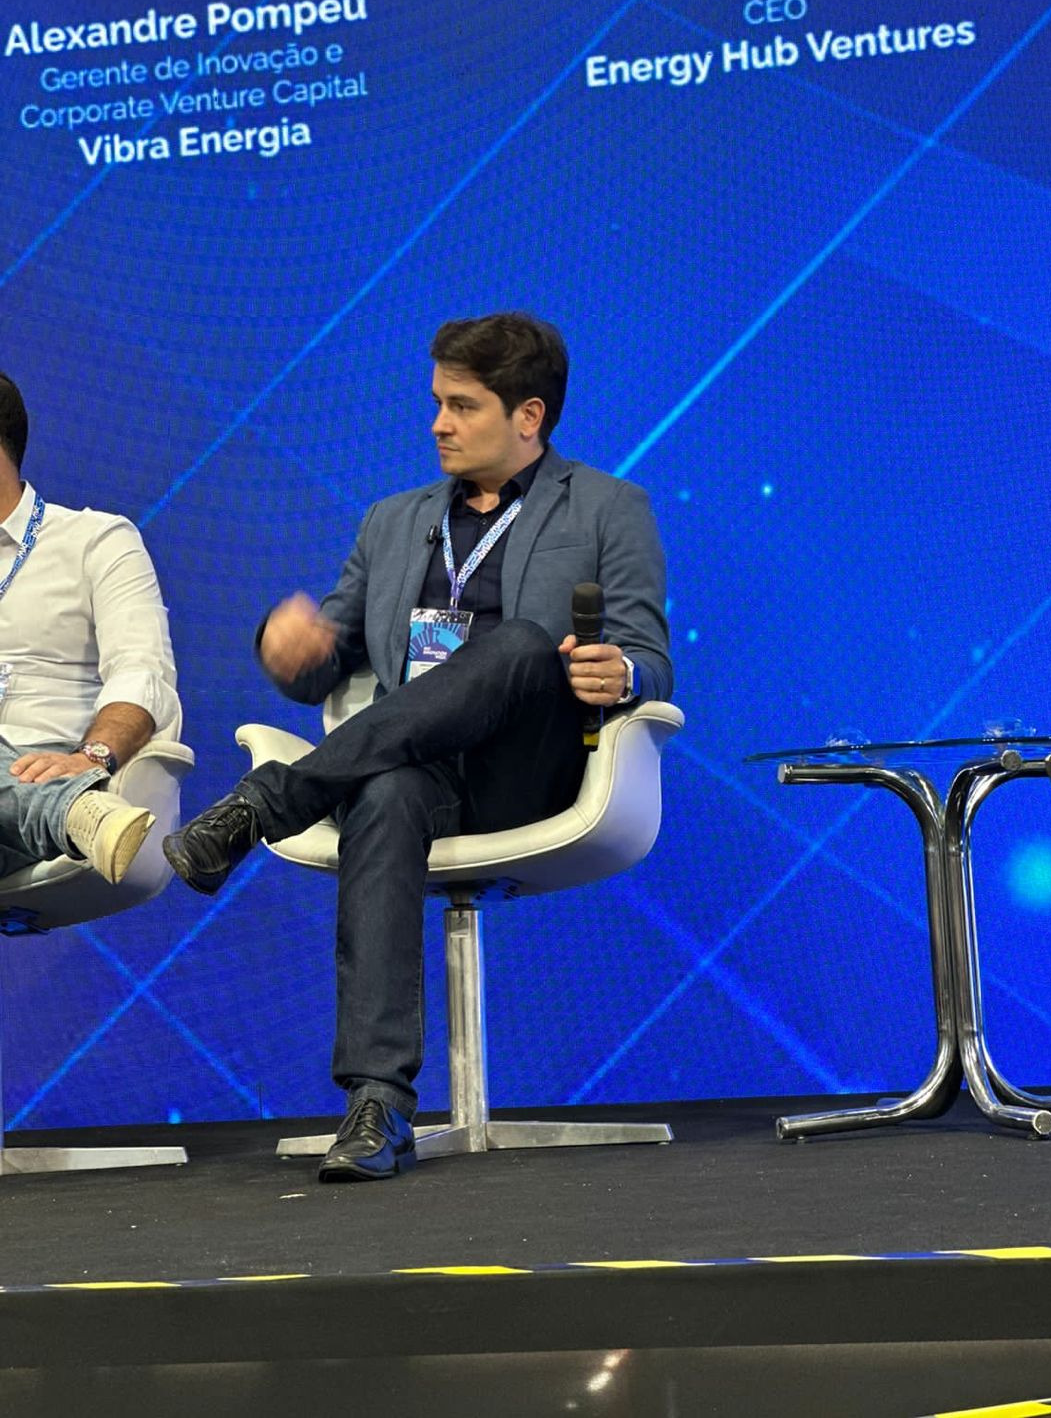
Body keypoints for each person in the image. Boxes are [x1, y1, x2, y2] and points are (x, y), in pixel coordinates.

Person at [163, 312, 672, 1182]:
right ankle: (378, 1106)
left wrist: (619, 670)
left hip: (530, 774)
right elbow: (325, 664)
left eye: (461, 406)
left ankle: (269, 802)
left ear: (529, 416)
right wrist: (292, 649)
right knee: (386, 791)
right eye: (436, 402)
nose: (438, 423)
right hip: (416, 770)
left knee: (518, 644)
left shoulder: (606, 507)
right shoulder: (392, 523)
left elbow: (651, 655)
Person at [0, 372, 179, 885]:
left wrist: (92, 757)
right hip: (54, 813)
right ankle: (70, 812)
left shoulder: (96, 540)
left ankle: (69, 804)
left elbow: (143, 674)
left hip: (45, 764)